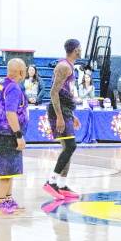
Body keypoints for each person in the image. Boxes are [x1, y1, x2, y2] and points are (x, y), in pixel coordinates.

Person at [0, 58, 28, 216]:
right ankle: (0, 204)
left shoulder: (3, 83)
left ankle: (8, 200)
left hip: (1, 132)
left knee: (10, 169)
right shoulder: (14, 88)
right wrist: (19, 135)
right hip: (5, 134)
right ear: (20, 72)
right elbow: (10, 113)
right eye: (24, 69)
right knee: (5, 170)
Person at [43, 39, 82, 200]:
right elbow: (53, 92)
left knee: (68, 147)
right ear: (75, 50)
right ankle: (51, 181)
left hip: (65, 110)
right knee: (70, 146)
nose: (81, 50)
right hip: (57, 111)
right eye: (79, 48)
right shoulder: (64, 66)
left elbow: (65, 94)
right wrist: (60, 116)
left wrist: (71, 115)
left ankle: (62, 184)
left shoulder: (70, 67)